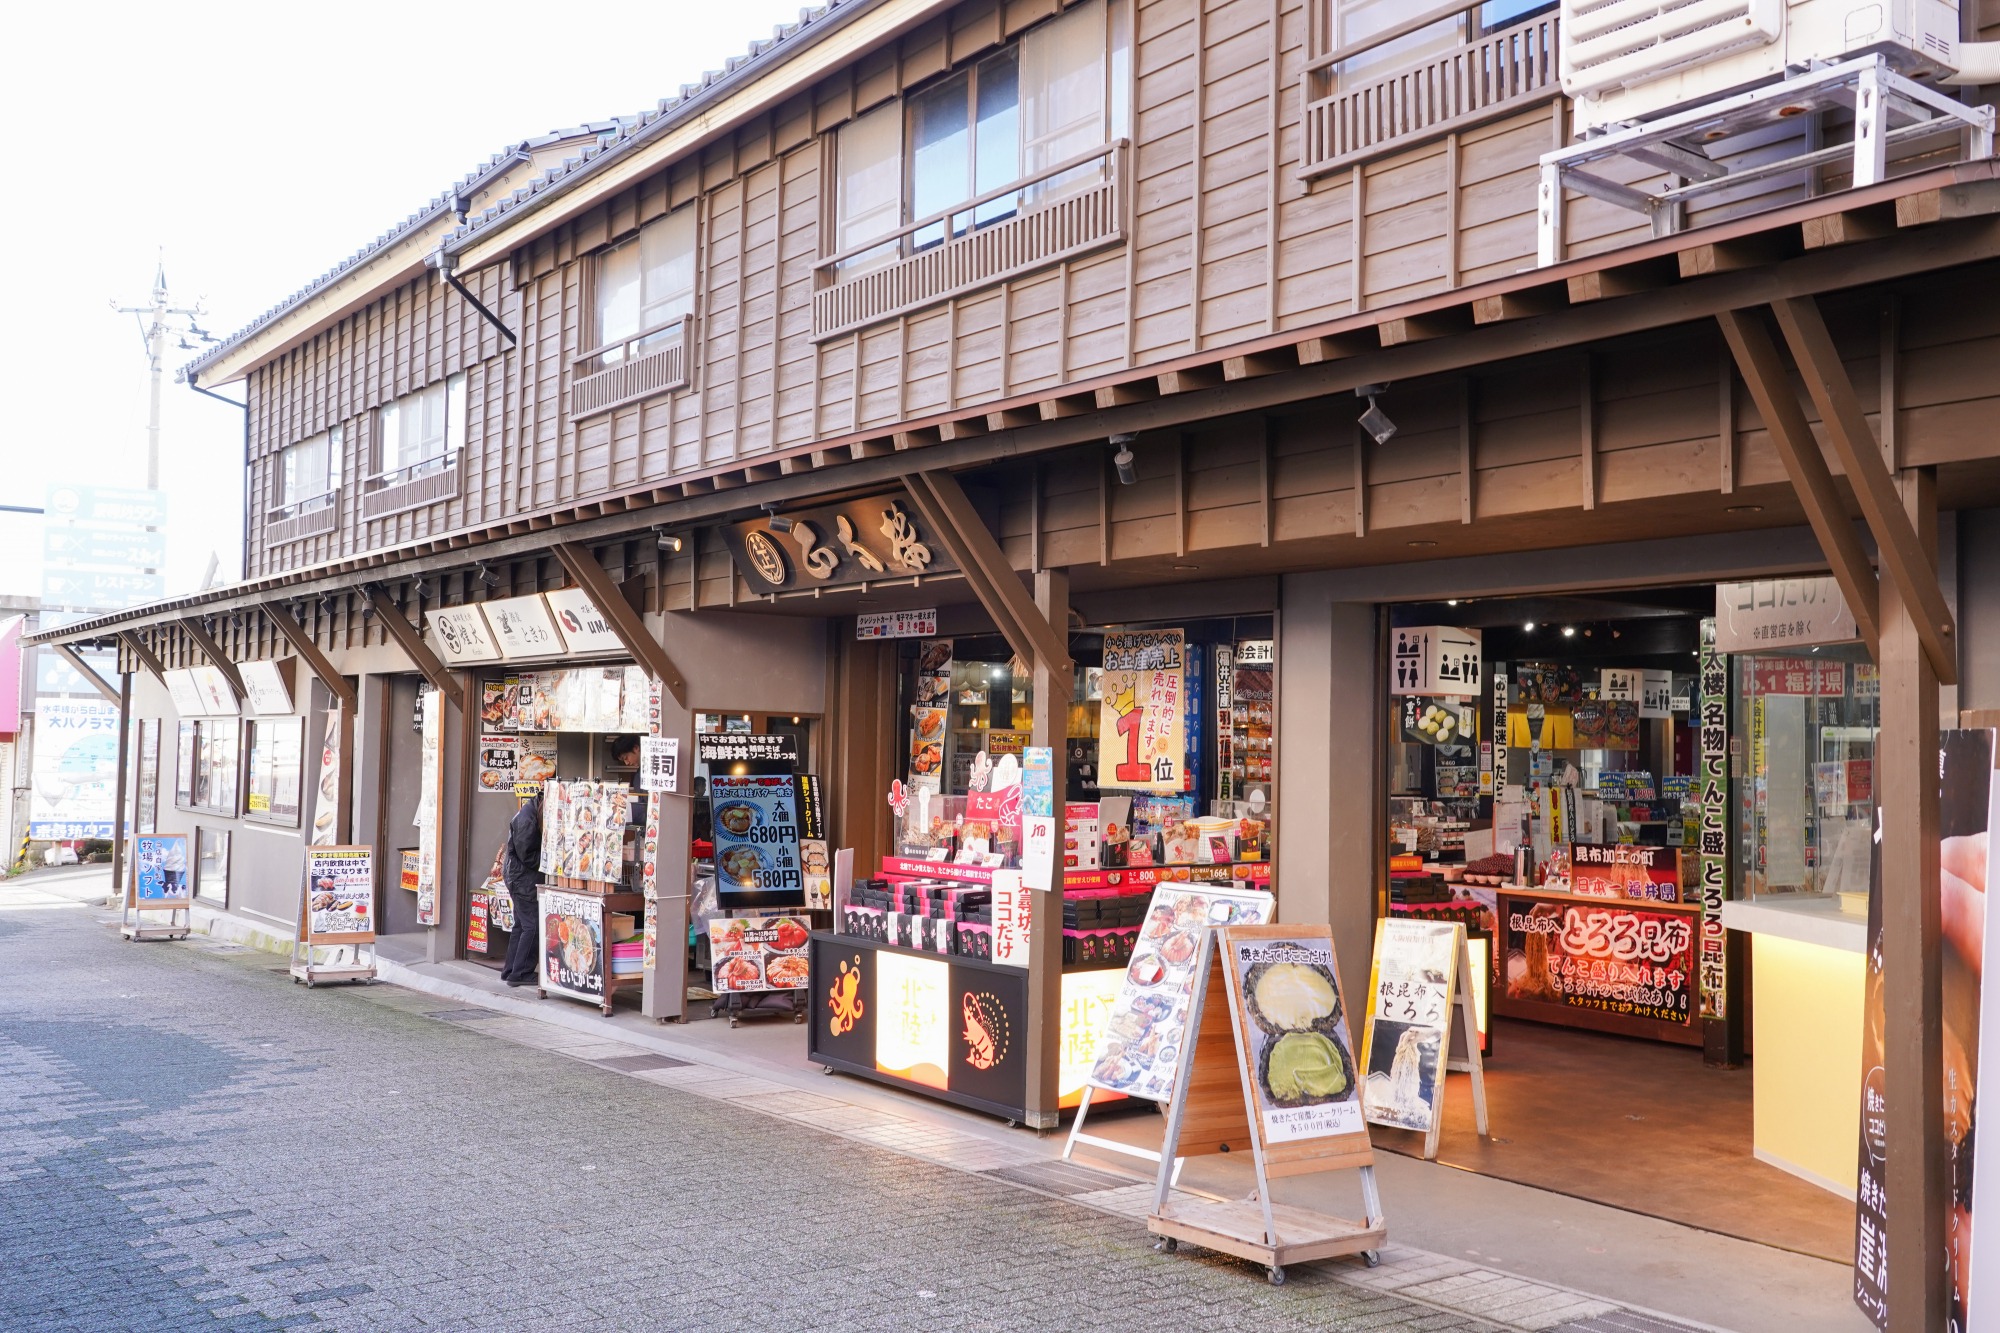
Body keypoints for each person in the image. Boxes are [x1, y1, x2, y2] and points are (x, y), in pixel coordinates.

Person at [499, 791, 544, 988]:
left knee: (521, 924)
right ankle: (521, 972)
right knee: (532, 925)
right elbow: (528, 857)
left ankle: (511, 970)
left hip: (517, 876)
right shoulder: (527, 819)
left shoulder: (529, 812)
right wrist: (551, 863)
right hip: (522, 878)